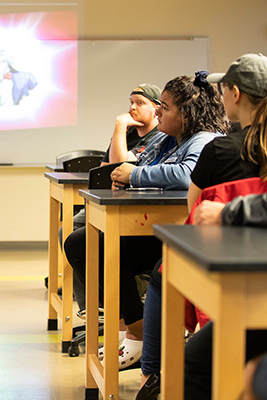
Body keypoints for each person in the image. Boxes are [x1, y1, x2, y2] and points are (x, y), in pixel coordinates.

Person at [64, 72, 227, 370]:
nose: (158, 112)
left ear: (187, 113)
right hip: (156, 227)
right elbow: (133, 162)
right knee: (82, 242)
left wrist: (135, 176)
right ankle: (137, 331)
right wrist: (128, 171)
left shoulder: (205, 141)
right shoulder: (169, 138)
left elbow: (186, 175)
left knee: (99, 248)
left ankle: (139, 338)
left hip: (181, 235)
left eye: (165, 107)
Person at [136, 53, 267, 400]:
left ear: (235, 95)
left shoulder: (217, 149)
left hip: (231, 273)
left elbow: (193, 208)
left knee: (164, 275)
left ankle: (153, 372)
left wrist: (224, 213)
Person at [58, 84, 161, 315]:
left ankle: (118, 304)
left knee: (97, 240)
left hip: (135, 206)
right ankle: (94, 306)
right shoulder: (126, 135)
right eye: (131, 102)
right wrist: (120, 130)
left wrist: (120, 124)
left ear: (157, 108)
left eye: (140, 103)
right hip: (111, 199)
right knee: (69, 230)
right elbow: (107, 171)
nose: (132, 108)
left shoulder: (160, 137)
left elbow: (120, 167)